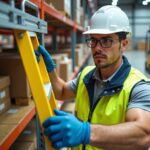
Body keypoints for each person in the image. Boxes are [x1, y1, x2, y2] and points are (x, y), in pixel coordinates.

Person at [35, 5, 150, 150]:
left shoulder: (138, 86)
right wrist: (50, 71)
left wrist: (86, 132)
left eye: (106, 41)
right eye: (93, 41)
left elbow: (144, 134)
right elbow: (62, 92)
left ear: (124, 44)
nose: (97, 48)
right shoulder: (87, 75)